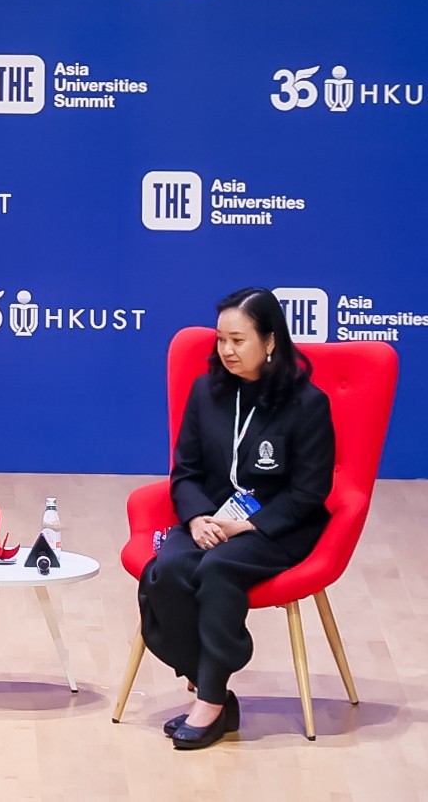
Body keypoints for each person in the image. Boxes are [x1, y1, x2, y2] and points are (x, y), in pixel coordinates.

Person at [138, 287, 336, 750]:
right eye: (221, 340)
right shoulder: (206, 392)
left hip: (276, 524)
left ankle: (207, 702)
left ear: (270, 342)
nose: (226, 350)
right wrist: (197, 519)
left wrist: (245, 525)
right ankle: (213, 683)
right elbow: (184, 472)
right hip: (211, 517)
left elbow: (310, 492)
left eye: (238, 340)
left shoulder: (308, 404)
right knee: (165, 570)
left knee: (219, 569)